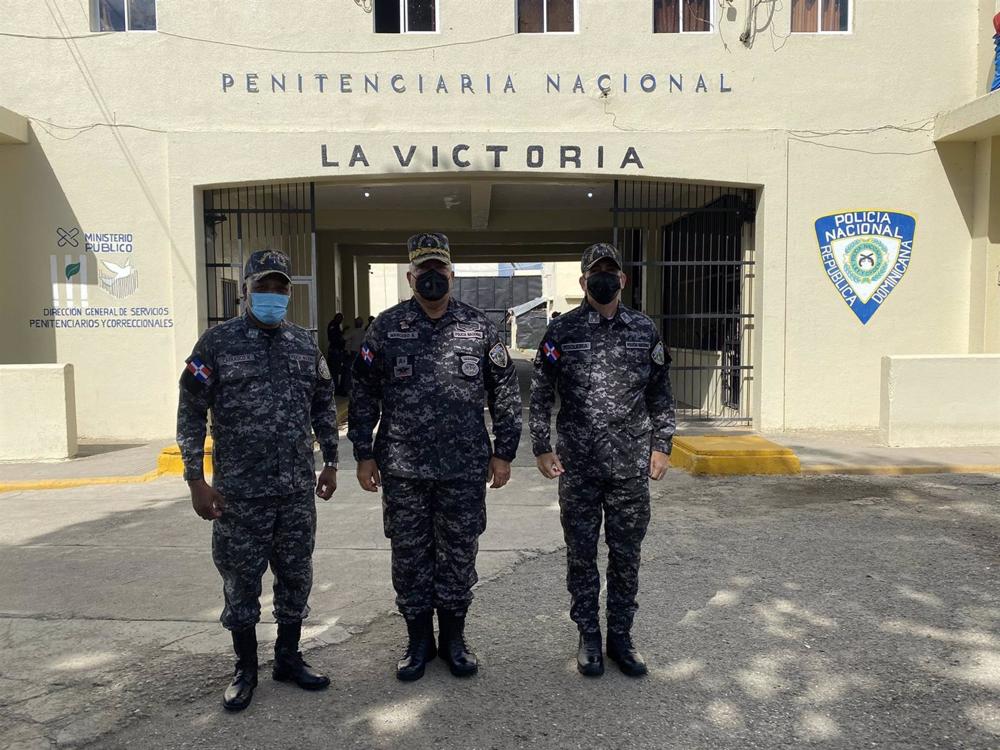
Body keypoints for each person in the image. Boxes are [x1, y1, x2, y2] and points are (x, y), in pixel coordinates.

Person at [348, 232, 522, 681]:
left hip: (463, 468)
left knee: (459, 553)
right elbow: (363, 392)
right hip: (403, 467)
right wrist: (363, 454)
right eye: (423, 270)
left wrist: (504, 453)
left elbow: (504, 391)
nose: (431, 276)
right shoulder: (385, 326)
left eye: (438, 269)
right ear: (410, 276)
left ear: (451, 273)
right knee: (409, 555)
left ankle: (455, 640)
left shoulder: (479, 326)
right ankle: (417, 641)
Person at [176, 249, 339, 711]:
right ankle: (245, 668)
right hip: (238, 493)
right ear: (245, 290)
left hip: (294, 491)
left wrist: (331, 461)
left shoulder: (304, 345)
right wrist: (195, 478)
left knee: (295, 576)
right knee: (241, 581)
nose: (272, 295)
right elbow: (190, 411)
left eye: (280, 288)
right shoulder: (216, 344)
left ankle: (288, 657)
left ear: (290, 293)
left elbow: (324, 404)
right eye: (263, 287)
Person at [529, 242, 675, 679]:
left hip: (630, 466)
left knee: (626, 555)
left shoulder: (644, 330)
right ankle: (588, 635)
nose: (604, 279)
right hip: (578, 467)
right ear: (583, 281)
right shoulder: (562, 332)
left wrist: (662, 444)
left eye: (611, 272)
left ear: (623, 280)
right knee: (581, 554)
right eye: (596, 273)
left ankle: (621, 637)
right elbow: (539, 393)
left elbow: (660, 393)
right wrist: (540, 446)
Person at [326, 312, 347, 396]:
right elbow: (334, 338)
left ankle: (336, 388)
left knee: (336, 370)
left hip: (336, 350)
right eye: (340, 318)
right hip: (335, 351)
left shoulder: (336, 325)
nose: (341, 320)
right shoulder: (333, 325)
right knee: (335, 370)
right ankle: (335, 389)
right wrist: (342, 339)